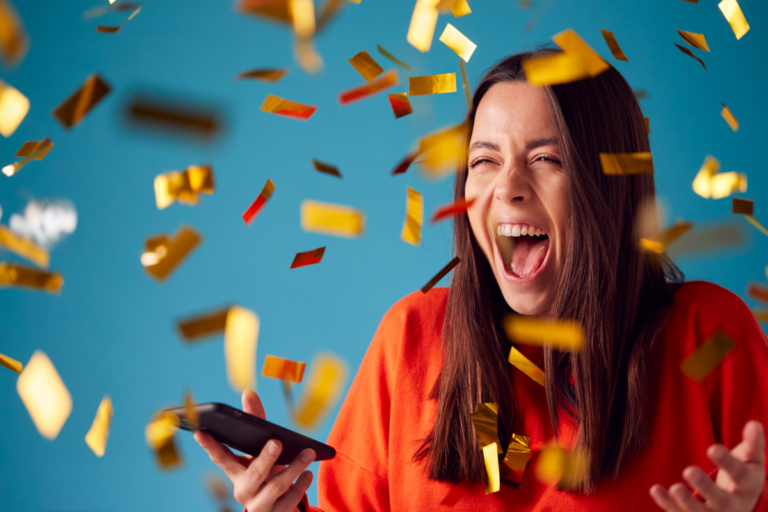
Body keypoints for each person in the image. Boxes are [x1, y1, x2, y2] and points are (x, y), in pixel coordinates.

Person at [195, 48, 768, 512]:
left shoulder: (707, 333)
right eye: (484, 160)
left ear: (609, 186)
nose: (507, 188)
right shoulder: (411, 337)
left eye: (547, 159)